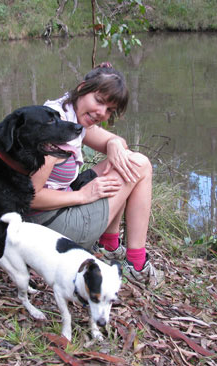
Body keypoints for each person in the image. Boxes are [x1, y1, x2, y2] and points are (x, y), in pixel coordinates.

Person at [25, 63, 163, 287]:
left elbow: (112, 143)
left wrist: (115, 143)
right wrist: (84, 195)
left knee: (123, 160)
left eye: (109, 110)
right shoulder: (54, 131)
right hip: (48, 230)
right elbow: (30, 197)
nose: (102, 113)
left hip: (48, 219)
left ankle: (109, 246)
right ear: (82, 88)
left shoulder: (64, 112)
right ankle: (137, 266)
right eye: (99, 101)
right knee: (142, 165)